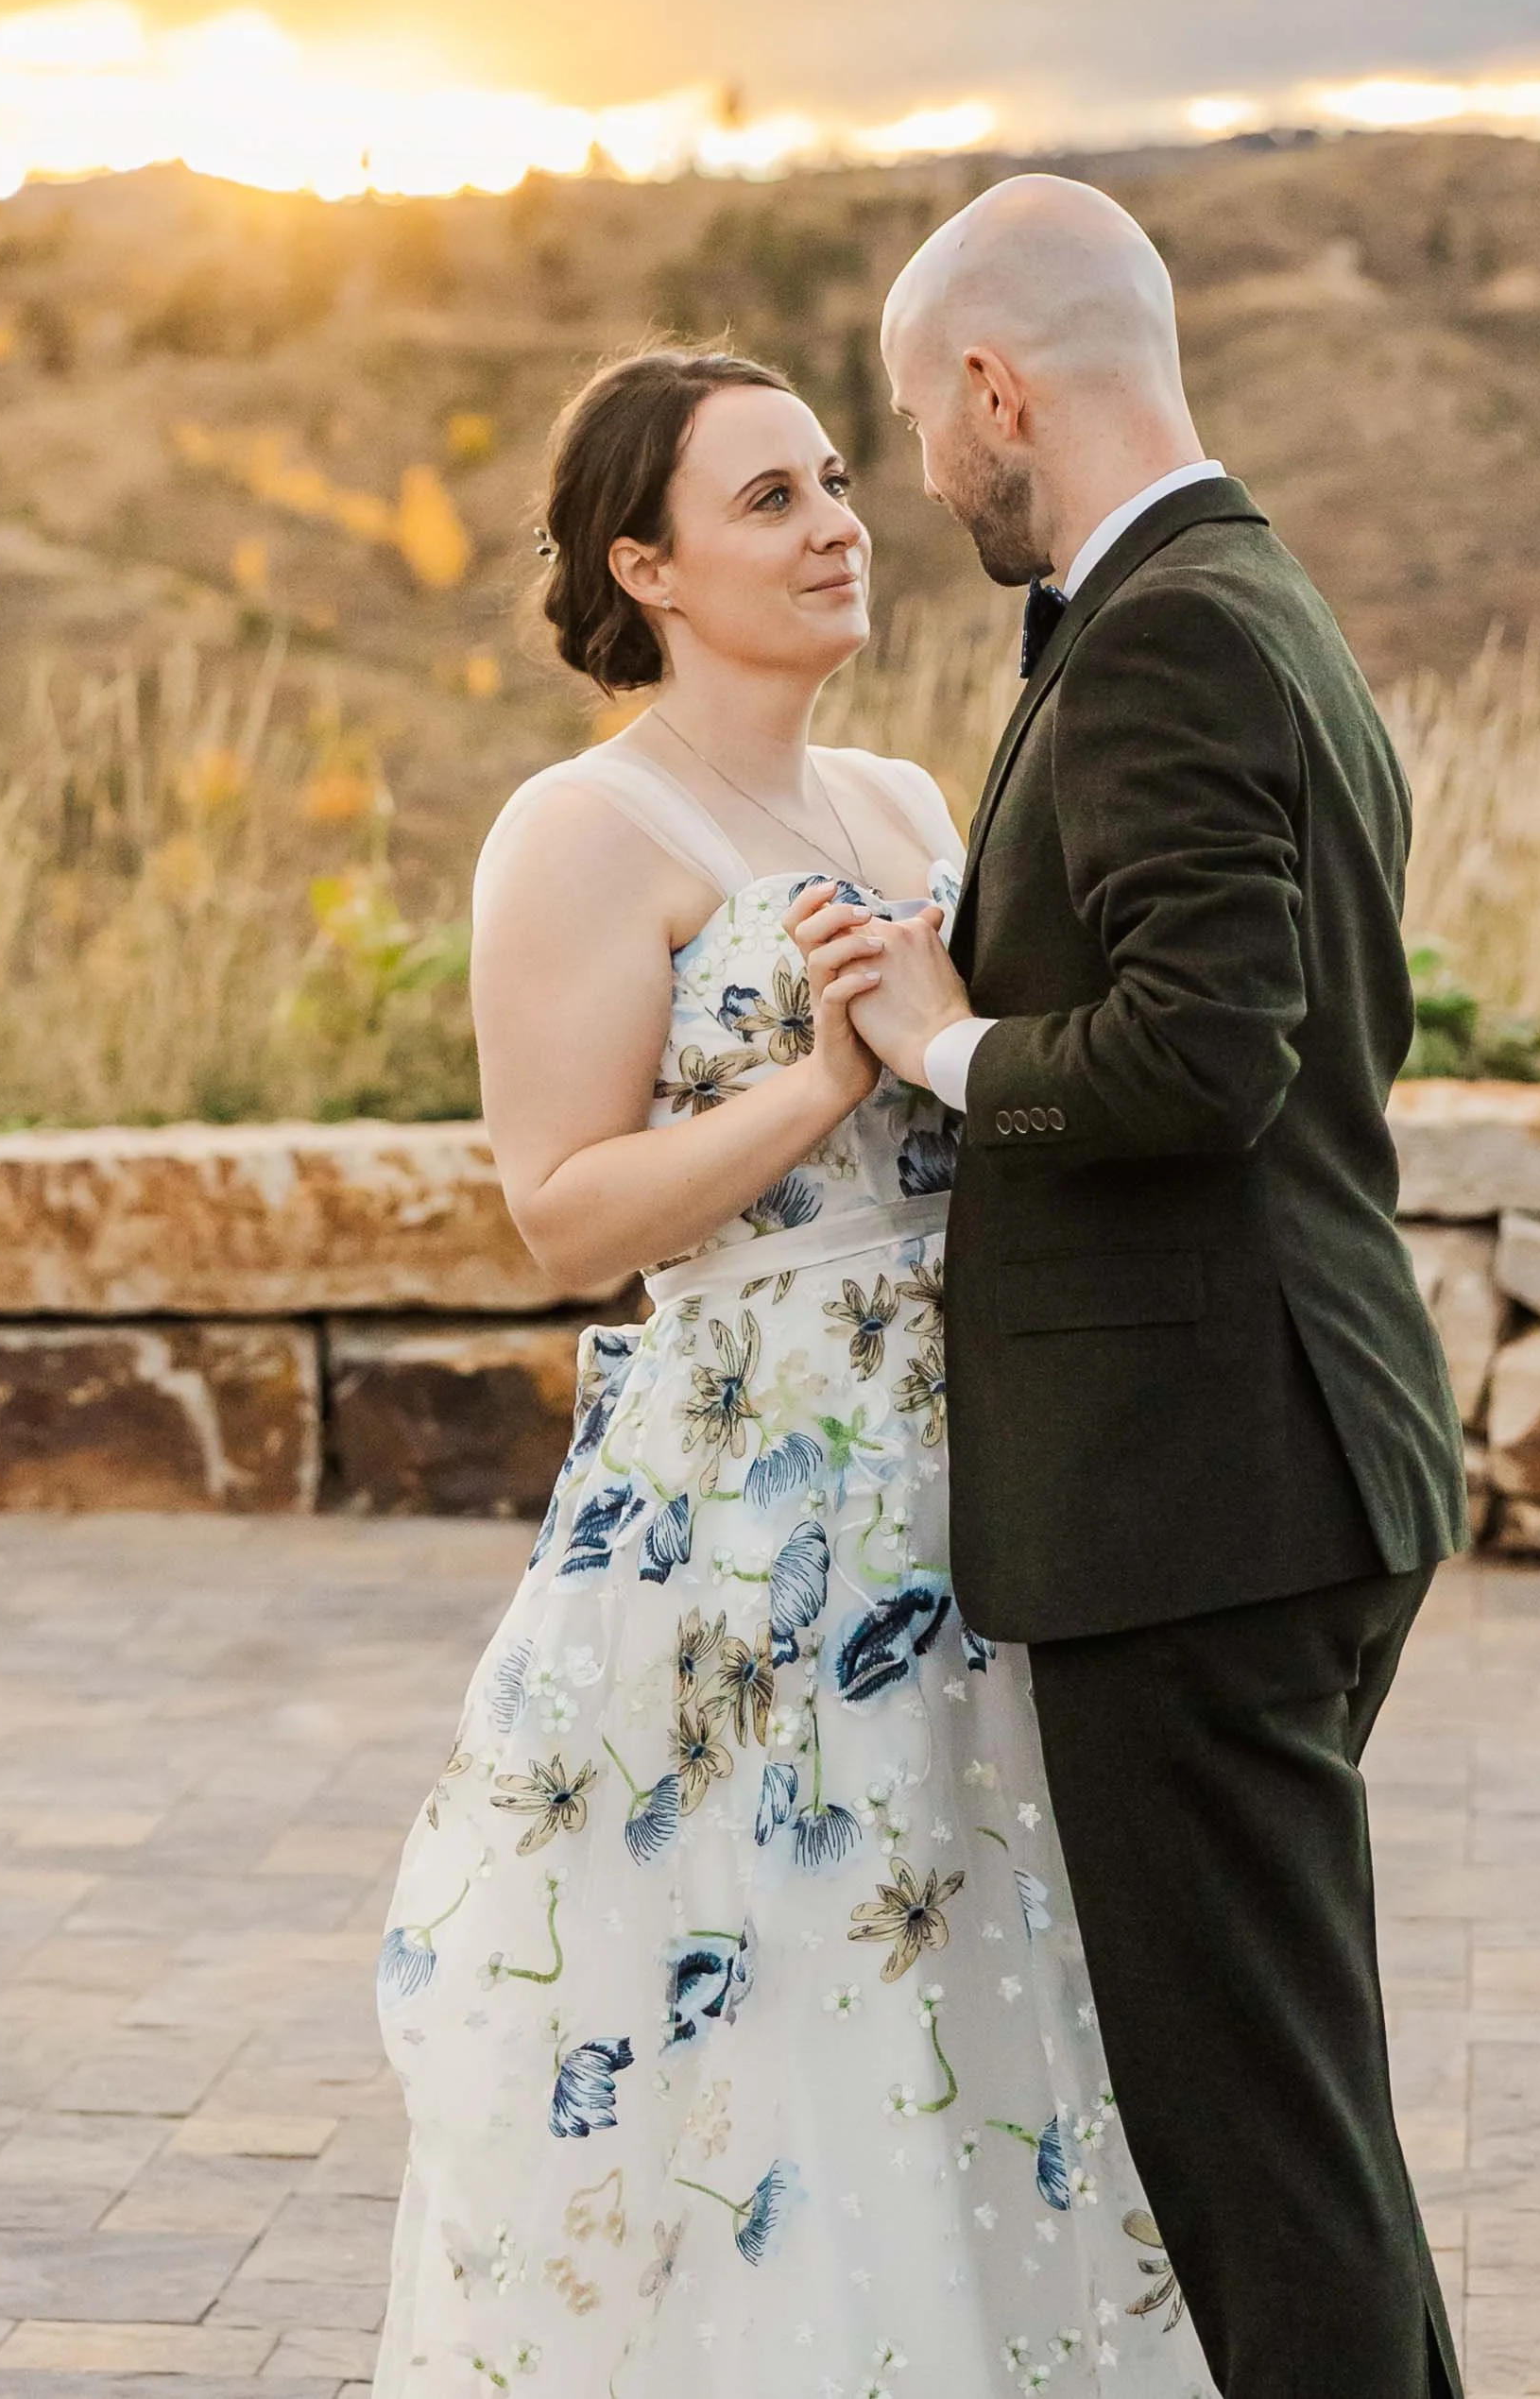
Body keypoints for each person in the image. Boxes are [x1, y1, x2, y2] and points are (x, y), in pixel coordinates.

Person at [372, 344, 1217, 2398]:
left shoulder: (910, 800)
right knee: (775, 2000)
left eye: (837, 475)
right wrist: (827, 1072)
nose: (839, 521)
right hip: (748, 1526)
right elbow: (564, 1211)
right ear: (641, 561)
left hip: (976, 1493)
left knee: (971, 1979)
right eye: (769, 497)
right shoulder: (580, 829)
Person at [794, 175, 1470, 2399]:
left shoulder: (1170, 626)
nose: (919, 473)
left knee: (1262, 2165)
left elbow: (1209, 1045)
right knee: (1295, 2136)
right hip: (1286, 1453)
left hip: (1203, 1495)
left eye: (916, 417)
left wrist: (942, 1046)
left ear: (996, 384)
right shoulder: (1243, 595)